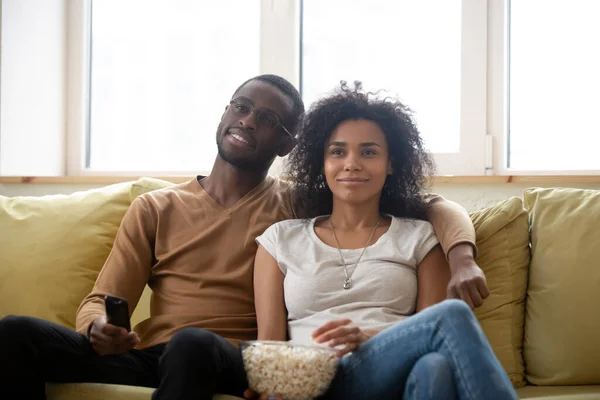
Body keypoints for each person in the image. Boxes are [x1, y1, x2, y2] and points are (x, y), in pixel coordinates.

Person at [0, 75, 487, 400]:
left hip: (231, 355)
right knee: (14, 333)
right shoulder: (156, 207)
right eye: (242, 106)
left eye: (268, 119)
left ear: (289, 144)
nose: (249, 120)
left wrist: (462, 256)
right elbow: (101, 299)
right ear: (225, 110)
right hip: (154, 355)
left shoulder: (297, 207)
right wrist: (97, 328)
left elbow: (432, 207)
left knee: (192, 344)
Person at [251, 82, 517, 400]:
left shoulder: (418, 237)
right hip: (315, 377)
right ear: (322, 163)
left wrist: (364, 337)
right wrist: (269, 385)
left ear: (391, 163)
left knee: (434, 366)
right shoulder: (280, 239)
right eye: (337, 151)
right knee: (453, 315)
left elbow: (428, 330)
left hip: (390, 371)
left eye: (369, 152)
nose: (352, 163)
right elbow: (269, 342)